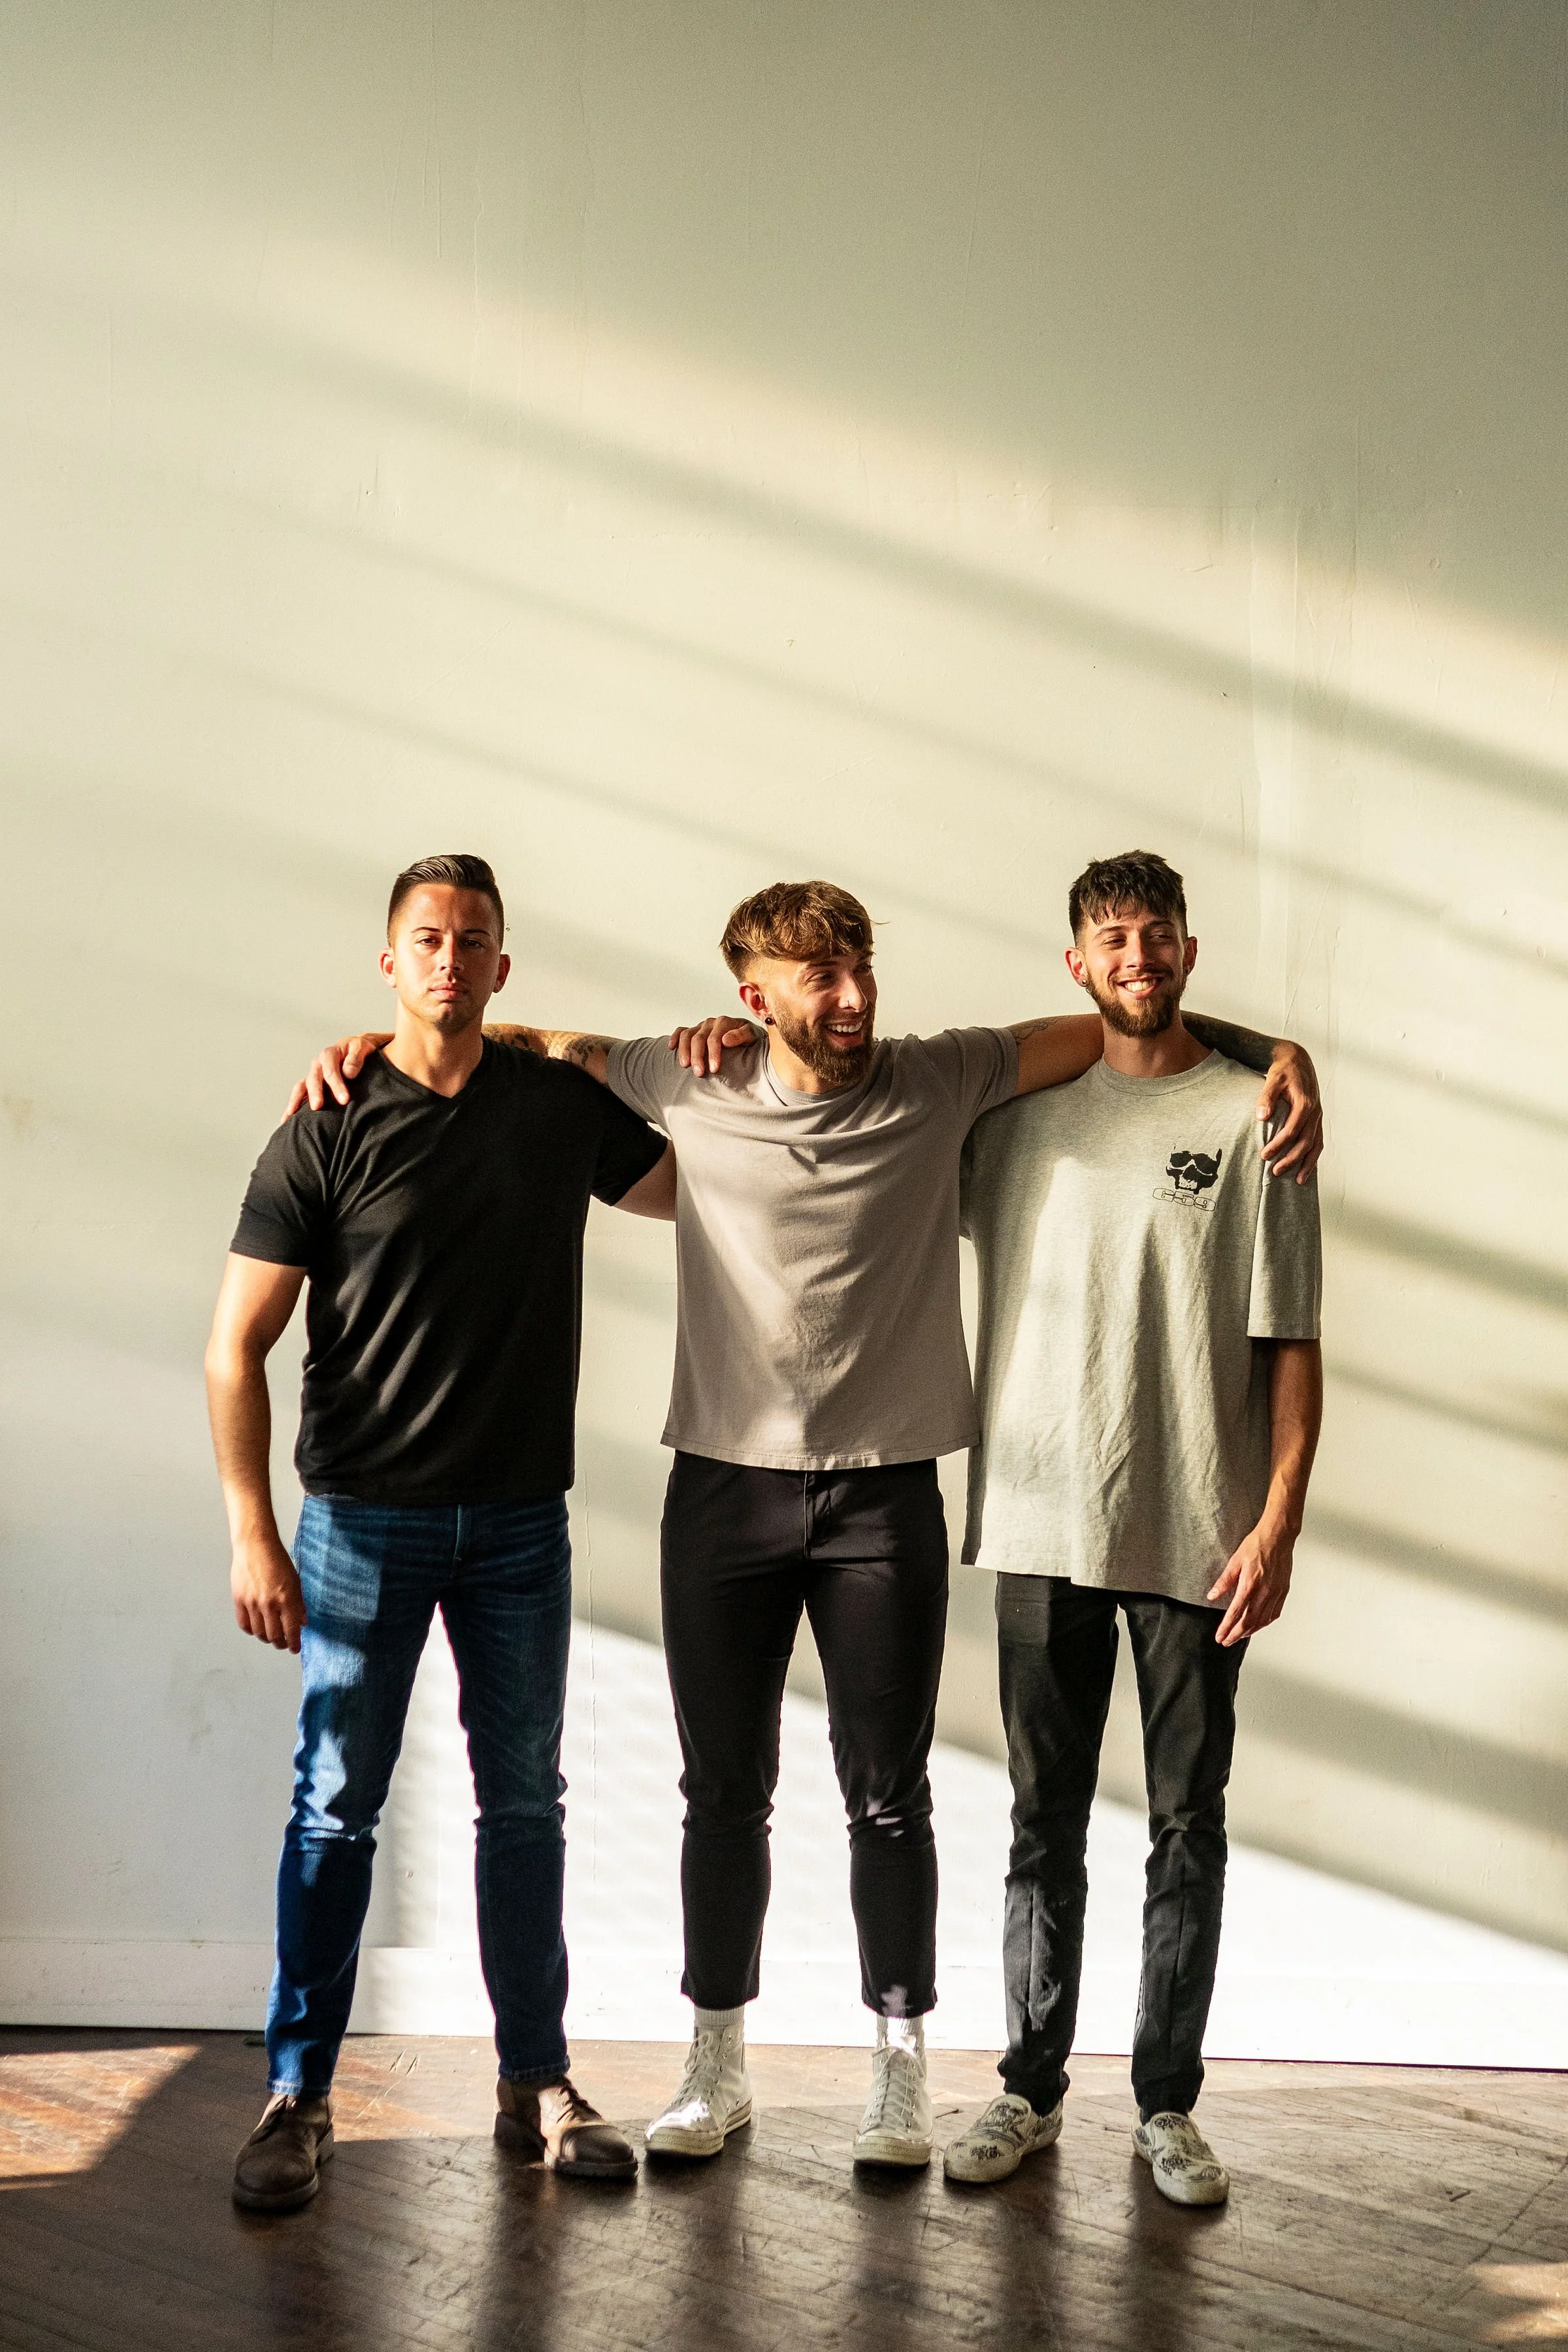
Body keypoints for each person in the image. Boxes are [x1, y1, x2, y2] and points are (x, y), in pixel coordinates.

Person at [296, 876, 1321, 2172]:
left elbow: (1128, 1020)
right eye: (819, 980)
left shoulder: (942, 1078)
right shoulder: (683, 1079)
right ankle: (714, 2069)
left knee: (888, 1801)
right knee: (722, 1796)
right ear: (751, 999)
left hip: (886, 1497)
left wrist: (1278, 1052)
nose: (850, 1000)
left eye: (861, 971)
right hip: (722, 1492)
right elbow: (530, 1045)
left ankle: (901, 2080)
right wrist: (373, 1042)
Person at [206, 855, 674, 2212]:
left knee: (524, 1806)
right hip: (359, 1523)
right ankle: (298, 2097)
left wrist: (648, 1051)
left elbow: (712, 1190)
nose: (451, 960)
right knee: (336, 1809)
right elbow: (237, 1347)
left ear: (502, 969)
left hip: (522, 1525)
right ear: (389, 962)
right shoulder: (327, 1121)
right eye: (428, 940)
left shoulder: (556, 1110)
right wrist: (254, 1532)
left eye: (475, 942)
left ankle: (539, 2085)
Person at [941, 851, 1323, 2207]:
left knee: (1186, 1824)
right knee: (1041, 1820)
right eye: (1113, 938)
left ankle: (1166, 2105)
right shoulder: (1013, 1122)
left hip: (1196, 1531)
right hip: (1042, 1521)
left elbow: (1291, 1342)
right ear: (1077, 964)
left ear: (1188, 953)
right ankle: (1026, 2090)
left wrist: (1276, 1520)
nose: (1137, 957)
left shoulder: (1255, 1119)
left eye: (1156, 936)